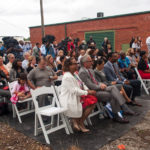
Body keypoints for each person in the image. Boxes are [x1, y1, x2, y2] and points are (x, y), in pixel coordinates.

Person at [79, 54, 133, 123]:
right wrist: (100, 86)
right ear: (85, 63)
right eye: (90, 61)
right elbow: (90, 85)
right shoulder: (82, 72)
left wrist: (101, 84)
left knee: (114, 88)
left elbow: (95, 81)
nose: (92, 62)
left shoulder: (90, 69)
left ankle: (121, 110)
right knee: (112, 95)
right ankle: (120, 111)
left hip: (98, 88)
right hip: (93, 92)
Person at [60, 57, 96, 132]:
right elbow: (74, 90)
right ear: (68, 66)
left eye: (77, 63)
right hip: (70, 98)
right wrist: (87, 92)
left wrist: (87, 89)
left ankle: (79, 121)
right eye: (75, 64)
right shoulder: (67, 77)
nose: (77, 65)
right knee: (89, 102)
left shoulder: (75, 74)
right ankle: (79, 122)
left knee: (92, 101)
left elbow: (82, 84)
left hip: (77, 95)